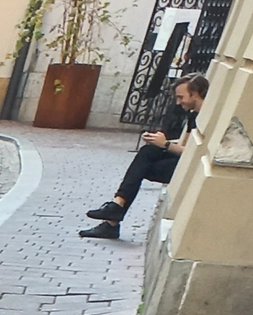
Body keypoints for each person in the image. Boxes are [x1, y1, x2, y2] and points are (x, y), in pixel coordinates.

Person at [81, 74, 208, 238]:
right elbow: (185, 145)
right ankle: (115, 209)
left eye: (181, 97)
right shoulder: (193, 114)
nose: (178, 102)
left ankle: (114, 215)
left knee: (142, 166)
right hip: (184, 161)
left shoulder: (208, 117)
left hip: (193, 168)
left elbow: (193, 153)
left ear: (195, 93)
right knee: (148, 151)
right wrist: (160, 141)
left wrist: (166, 144)